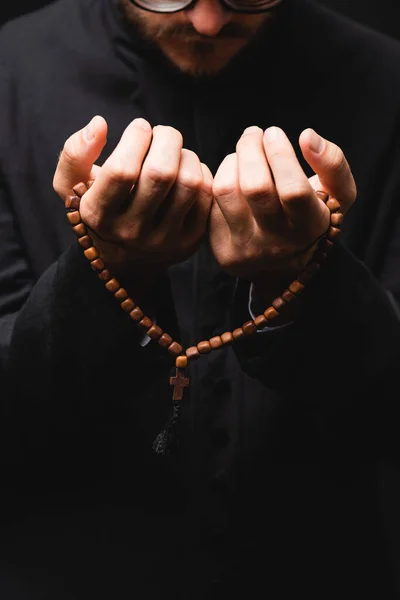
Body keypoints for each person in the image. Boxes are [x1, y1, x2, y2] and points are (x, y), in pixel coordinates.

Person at [1, 0, 400, 597]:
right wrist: (109, 271)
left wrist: (306, 281)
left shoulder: (387, 80)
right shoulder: (9, 71)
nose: (208, 21)